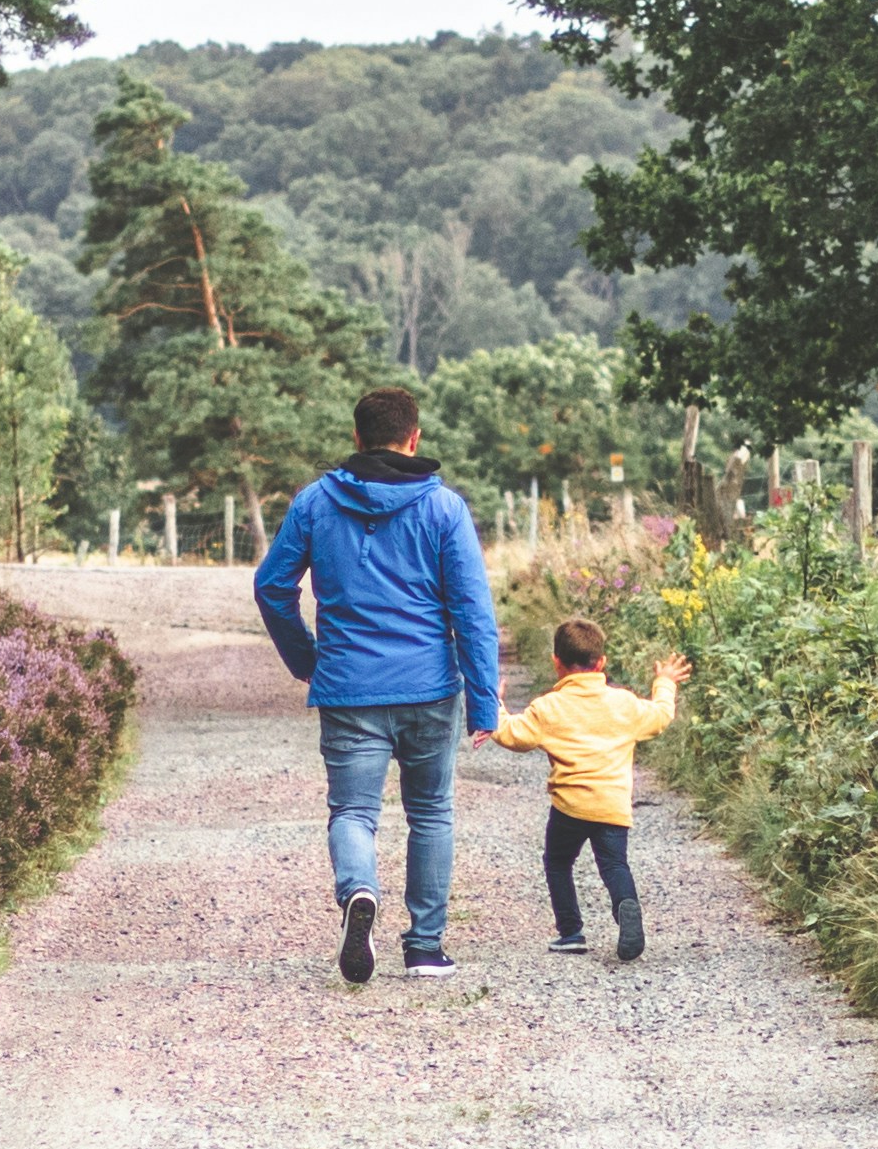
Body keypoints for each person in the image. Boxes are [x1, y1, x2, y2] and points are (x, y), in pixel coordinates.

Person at [254, 385, 505, 982]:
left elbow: (271, 587)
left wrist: (307, 659)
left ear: (357, 436)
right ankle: (424, 949)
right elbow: (472, 612)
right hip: (429, 688)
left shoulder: (315, 503)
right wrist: (484, 701)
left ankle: (359, 891)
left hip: (349, 688)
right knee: (432, 812)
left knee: (353, 812)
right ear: (414, 438)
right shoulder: (444, 509)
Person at [481, 618, 684, 964]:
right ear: (601, 662)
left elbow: (513, 735)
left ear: (556, 661)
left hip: (569, 807)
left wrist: (496, 706)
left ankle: (571, 931)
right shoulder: (624, 703)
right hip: (612, 805)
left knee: (558, 862)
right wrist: (664, 682)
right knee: (614, 865)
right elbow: (661, 715)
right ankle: (626, 906)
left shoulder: (548, 707)